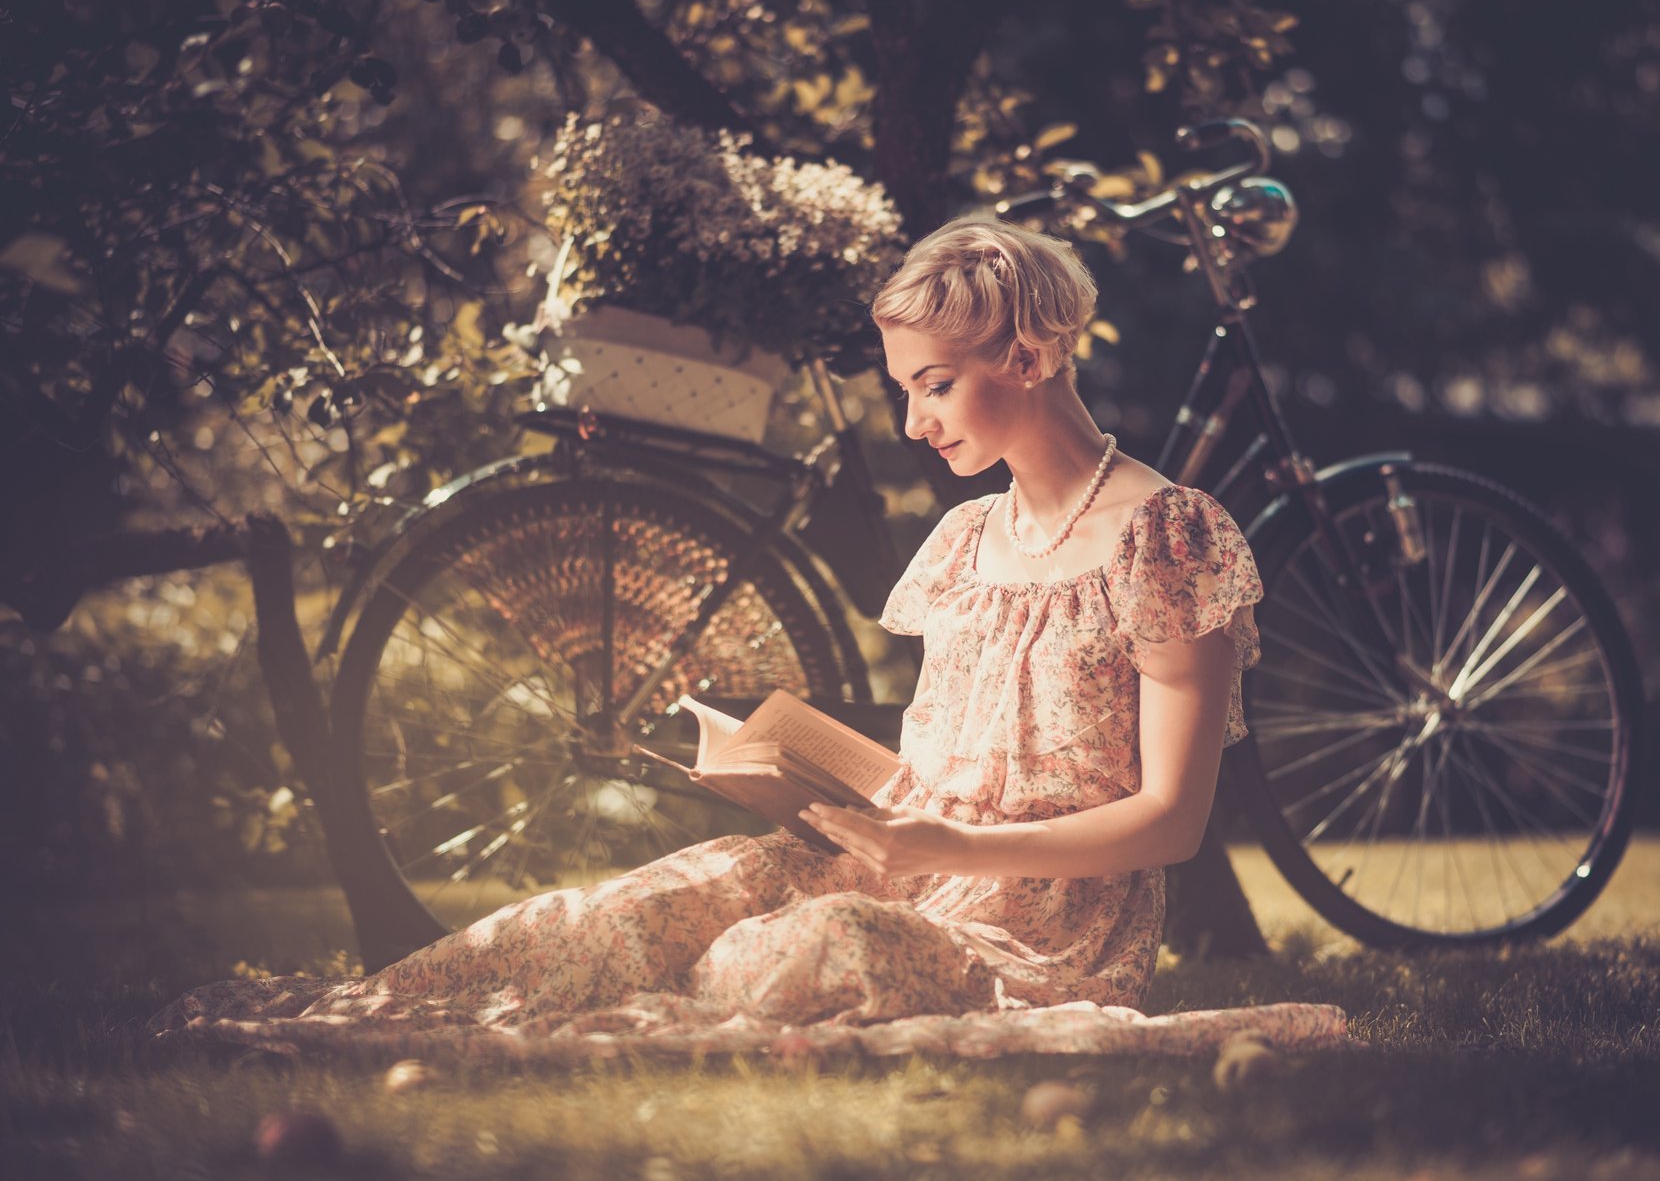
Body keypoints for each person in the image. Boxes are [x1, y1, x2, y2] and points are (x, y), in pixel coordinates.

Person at [149, 217, 1346, 1063]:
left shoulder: (1169, 536)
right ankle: (373, 1017)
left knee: (804, 949)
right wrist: (823, 792)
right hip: (894, 862)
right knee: (621, 910)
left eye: (934, 385)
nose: (916, 420)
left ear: (1026, 360)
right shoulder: (969, 539)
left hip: (1040, 939)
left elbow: (1174, 822)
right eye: (902, 391)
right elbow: (945, 763)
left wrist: (948, 848)